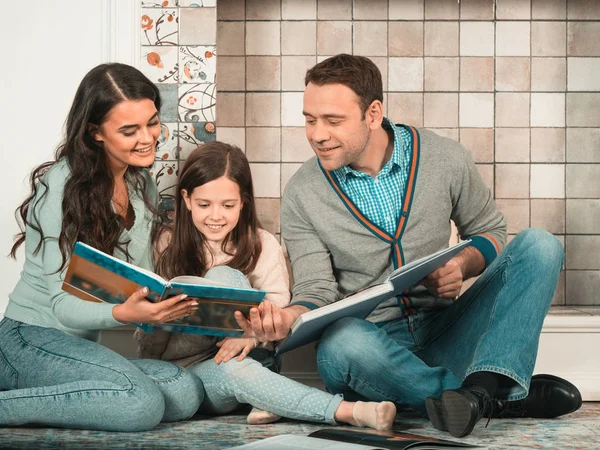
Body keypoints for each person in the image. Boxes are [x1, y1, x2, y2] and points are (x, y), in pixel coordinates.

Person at [239, 54, 582, 438]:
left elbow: (490, 232)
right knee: (341, 343)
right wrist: (288, 318)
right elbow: (317, 289)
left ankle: (464, 396)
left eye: (333, 121)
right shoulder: (302, 192)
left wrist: (463, 265)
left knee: (540, 245)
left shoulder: (444, 157)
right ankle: (490, 395)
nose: (317, 134)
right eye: (309, 119)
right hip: (373, 348)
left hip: (447, 326)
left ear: (373, 113)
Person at [135, 142, 397, 430]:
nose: (215, 216)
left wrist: (251, 334)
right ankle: (267, 397)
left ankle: (350, 412)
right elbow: (151, 342)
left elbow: (277, 316)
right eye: (204, 204)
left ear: (244, 202)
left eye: (228, 205)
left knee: (224, 278)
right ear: (186, 199)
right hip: (190, 369)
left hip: (250, 354)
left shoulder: (263, 245)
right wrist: (153, 321)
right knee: (226, 373)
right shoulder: (165, 243)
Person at [0, 63, 204, 431]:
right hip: (28, 338)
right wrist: (129, 314)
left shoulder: (142, 183)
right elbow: (63, 308)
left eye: (152, 122)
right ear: (96, 133)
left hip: (79, 347)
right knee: (140, 404)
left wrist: (176, 303)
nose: (149, 138)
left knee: (184, 390)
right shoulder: (60, 185)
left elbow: (134, 281)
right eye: (130, 130)